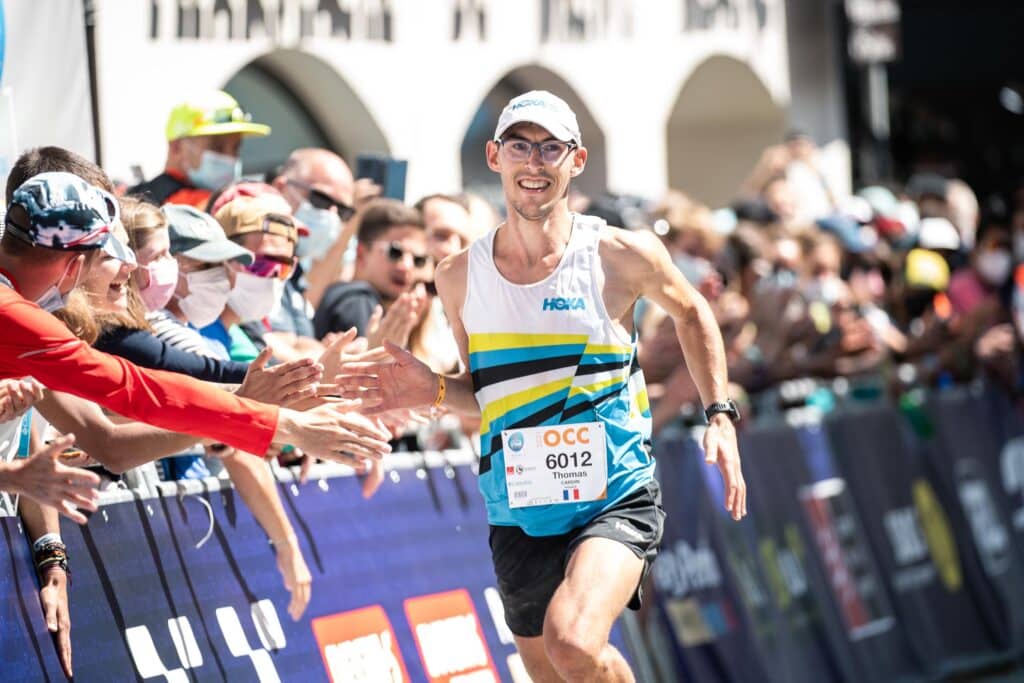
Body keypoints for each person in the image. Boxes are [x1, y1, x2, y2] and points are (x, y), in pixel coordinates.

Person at [339, 90, 747, 682]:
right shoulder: (457, 277)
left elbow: (691, 313)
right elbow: (485, 393)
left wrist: (719, 414)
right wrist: (429, 389)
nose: (534, 162)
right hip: (519, 506)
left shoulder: (617, 254)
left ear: (575, 160)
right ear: (495, 156)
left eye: (550, 147)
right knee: (552, 673)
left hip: (615, 492)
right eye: (520, 146)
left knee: (574, 642)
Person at [0, 171, 391, 468]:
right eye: (107, 259)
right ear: (74, 264)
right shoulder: (15, 313)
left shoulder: (20, 308)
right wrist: (286, 425)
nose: (126, 271)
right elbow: (137, 390)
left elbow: (111, 432)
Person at [128, 91, 270, 208]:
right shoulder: (181, 203)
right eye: (217, 147)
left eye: (235, 148)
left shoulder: (146, 195)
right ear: (177, 147)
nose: (230, 158)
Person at [314, 199, 431, 340]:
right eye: (395, 252)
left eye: (418, 260)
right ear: (362, 253)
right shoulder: (358, 300)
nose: (407, 266)